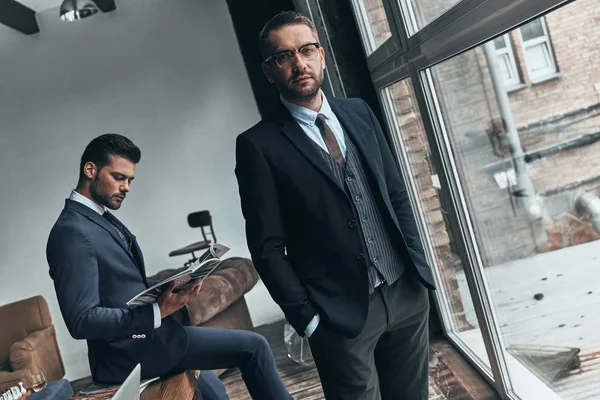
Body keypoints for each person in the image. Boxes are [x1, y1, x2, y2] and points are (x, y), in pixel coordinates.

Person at [235, 11, 436, 400]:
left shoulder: (359, 112)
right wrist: (308, 320)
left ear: (322, 55)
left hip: (405, 291)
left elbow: (396, 195)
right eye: (284, 56)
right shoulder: (258, 145)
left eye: (307, 50)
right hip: (339, 316)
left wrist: (418, 271)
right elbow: (267, 248)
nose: (299, 63)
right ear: (269, 70)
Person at [47, 134, 291, 400]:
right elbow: (82, 320)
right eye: (119, 177)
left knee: (214, 392)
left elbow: (122, 286)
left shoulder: (98, 218)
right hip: (129, 352)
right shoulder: (71, 232)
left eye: (129, 180)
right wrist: (155, 312)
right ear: (90, 170)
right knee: (254, 346)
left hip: (151, 340)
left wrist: (176, 284)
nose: (126, 187)